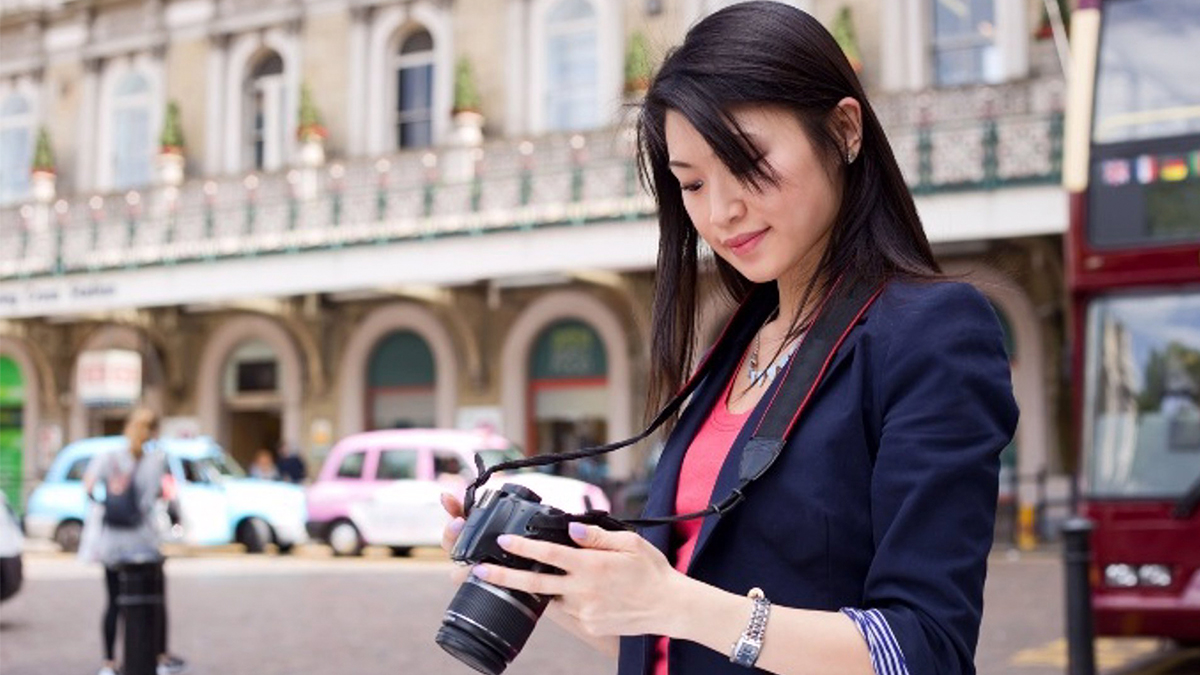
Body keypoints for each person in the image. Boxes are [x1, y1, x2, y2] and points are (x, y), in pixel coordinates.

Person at [441, 3, 1018, 675]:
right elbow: (682, 645)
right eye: (691, 183)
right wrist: (556, 581)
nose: (720, 211)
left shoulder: (933, 332)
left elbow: (925, 650)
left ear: (844, 129)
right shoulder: (736, 346)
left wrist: (675, 602)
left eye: (746, 162)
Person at [83, 407, 188, 675]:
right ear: (153, 431)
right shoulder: (155, 460)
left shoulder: (108, 456)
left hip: (112, 542)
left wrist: (106, 505)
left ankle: (108, 663)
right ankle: (159, 658)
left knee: (113, 602)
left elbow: (88, 485)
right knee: (155, 601)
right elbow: (153, 497)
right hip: (143, 541)